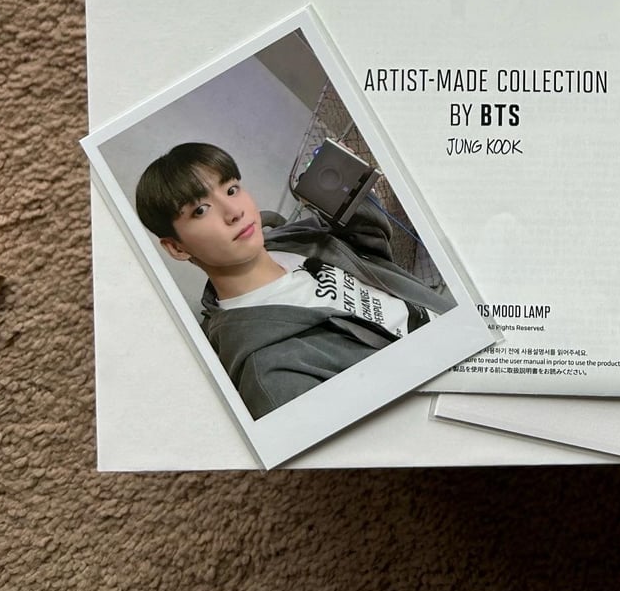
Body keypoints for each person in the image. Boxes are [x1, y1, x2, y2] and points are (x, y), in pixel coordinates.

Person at [135, 142, 452, 419]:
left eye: (231, 189)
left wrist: (354, 194)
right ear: (177, 248)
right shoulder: (270, 373)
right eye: (201, 210)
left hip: (455, 319)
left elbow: (375, 258)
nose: (234, 211)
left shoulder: (289, 240)